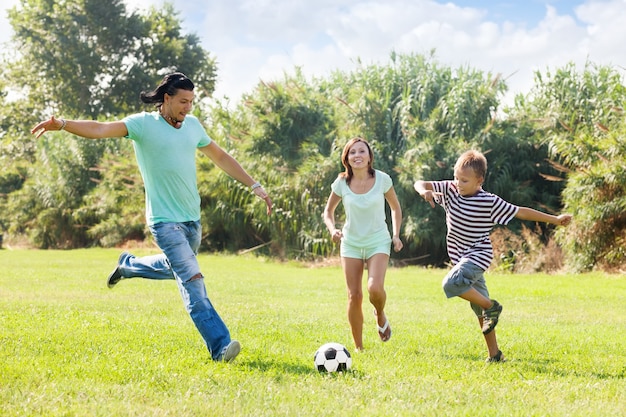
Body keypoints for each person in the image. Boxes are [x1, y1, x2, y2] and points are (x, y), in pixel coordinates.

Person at [31, 72, 272, 363]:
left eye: (191, 102)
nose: (188, 108)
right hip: (163, 220)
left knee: (178, 269)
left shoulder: (192, 126)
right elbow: (100, 129)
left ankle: (128, 266)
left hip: (191, 219)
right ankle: (220, 346)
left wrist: (254, 184)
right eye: (183, 101)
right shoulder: (143, 124)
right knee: (192, 279)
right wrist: (63, 125)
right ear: (167, 99)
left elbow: (220, 157)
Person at [414, 149, 572, 363]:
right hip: (461, 258)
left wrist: (554, 219)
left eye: (464, 180)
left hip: (478, 255)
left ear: (479, 180)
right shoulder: (451, 190)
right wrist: (425, 192)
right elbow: (420, 183)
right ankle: (495, 355)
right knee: (479, 310)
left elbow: (521, 212)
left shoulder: (488, 201)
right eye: (456, 177)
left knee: (450, 284)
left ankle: (492, 306)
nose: (458, 183)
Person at [323, 137, 403, 351]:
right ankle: (359, 348)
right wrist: (333, 229)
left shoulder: (382, 179)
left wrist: (396, 235)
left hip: (378, 240)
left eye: (361, 151)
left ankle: (379, 313)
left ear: (369, 157)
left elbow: (395, 208)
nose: (357, 155)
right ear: (346, 159)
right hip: (351, 243)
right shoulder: (341, 183)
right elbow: (328, 211)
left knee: (374, 288)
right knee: (354, 295)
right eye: (352, 152)